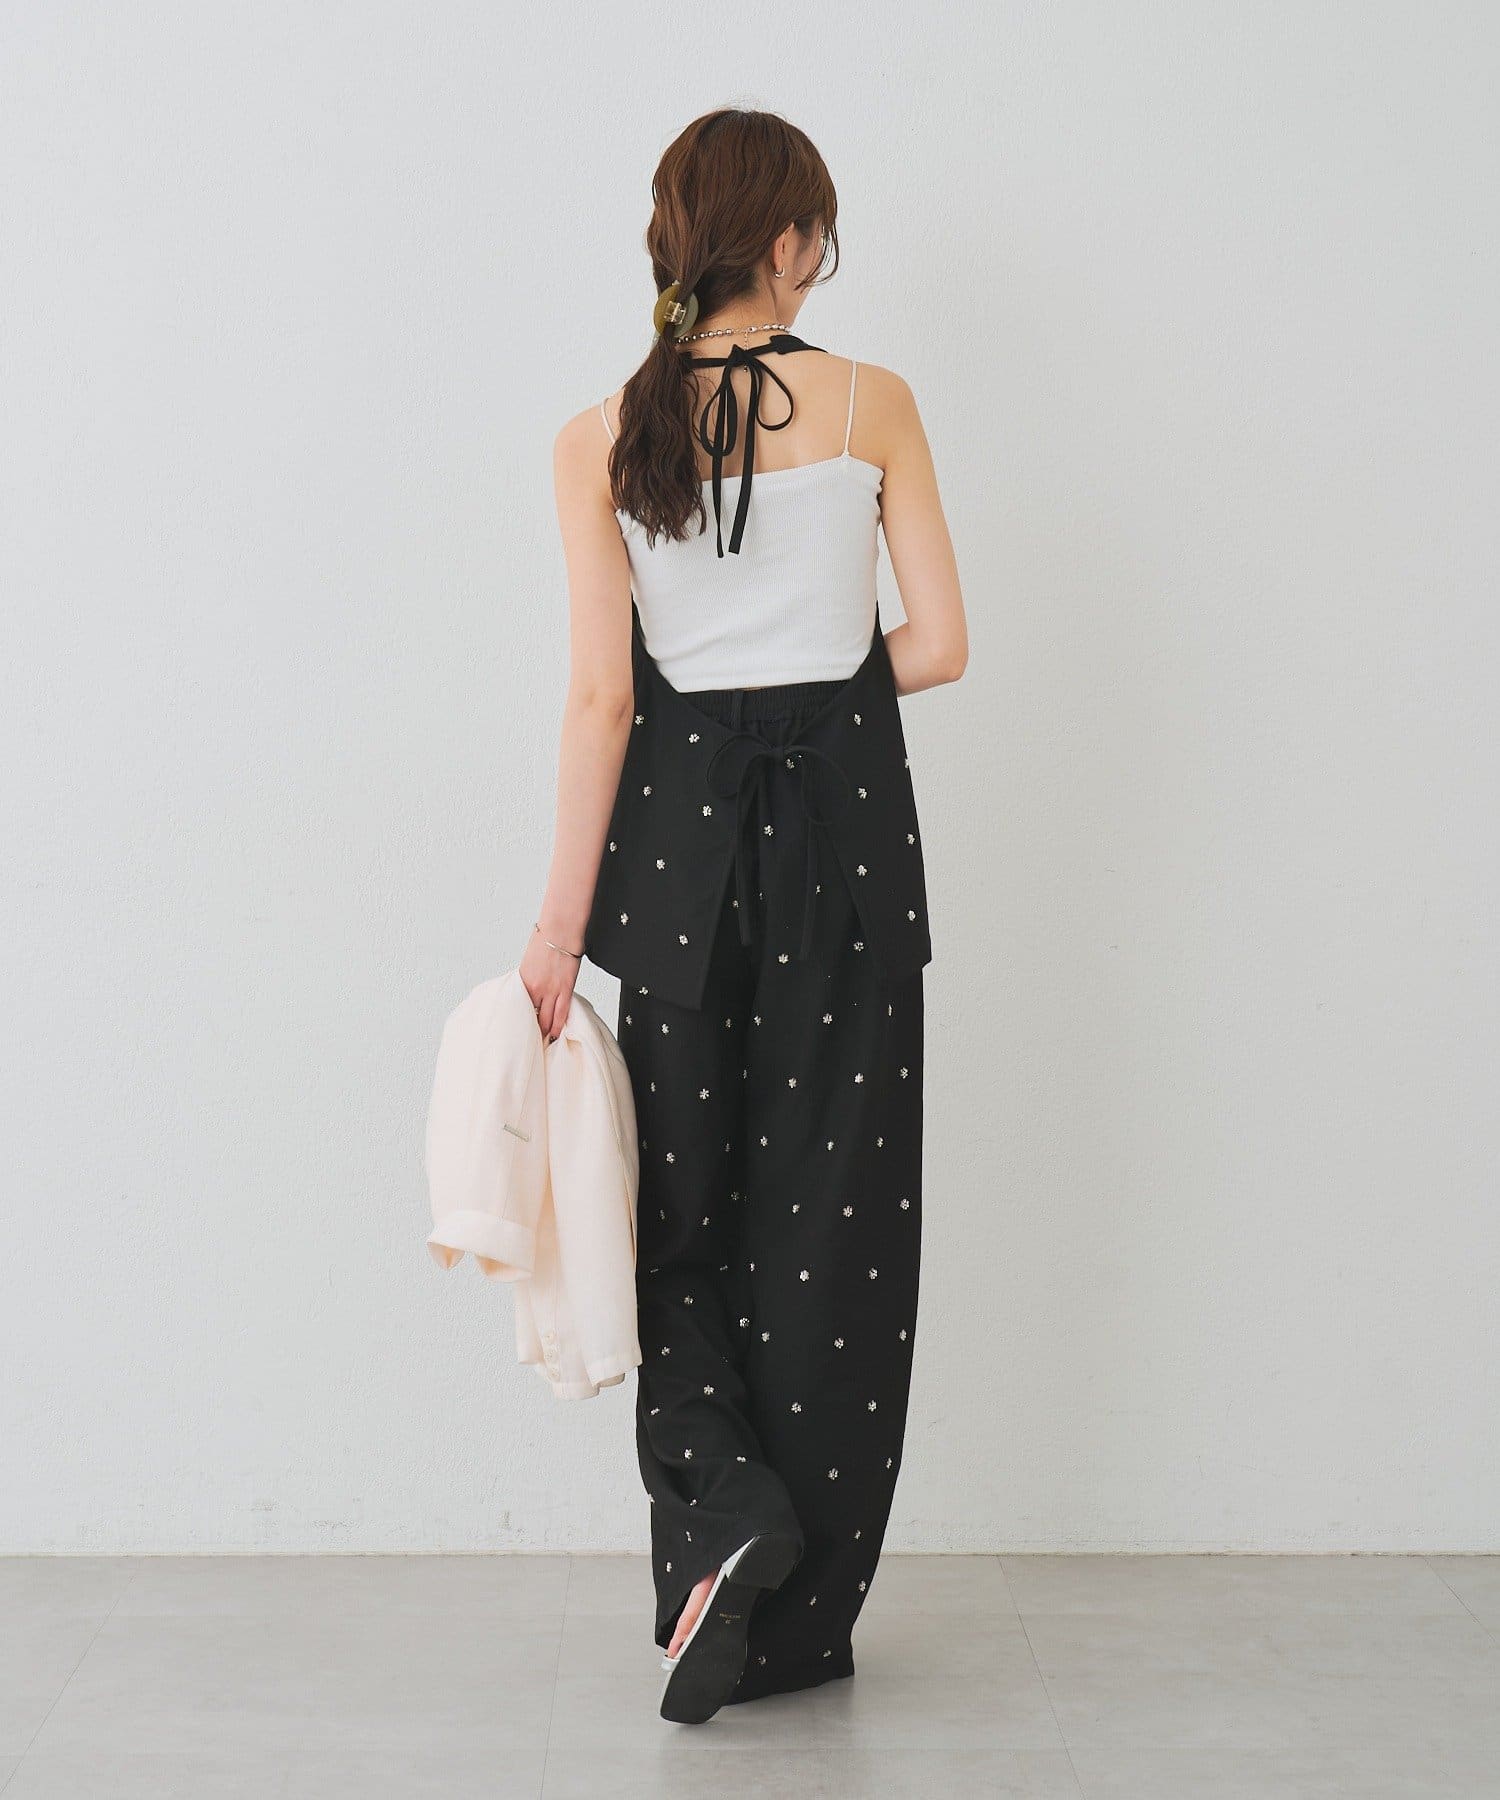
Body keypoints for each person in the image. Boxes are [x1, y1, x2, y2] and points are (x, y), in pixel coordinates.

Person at [524, 106, 968, 1723]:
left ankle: (722, 1512)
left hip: (677, 865)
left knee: (679, 1216)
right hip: (847, 852)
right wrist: (818, 705)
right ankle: (799, 1624)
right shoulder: (871, 403)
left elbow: (602, 699)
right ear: (785, 240)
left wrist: (557, 931)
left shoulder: (601, 435)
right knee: (838, 1229)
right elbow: (940, 645)